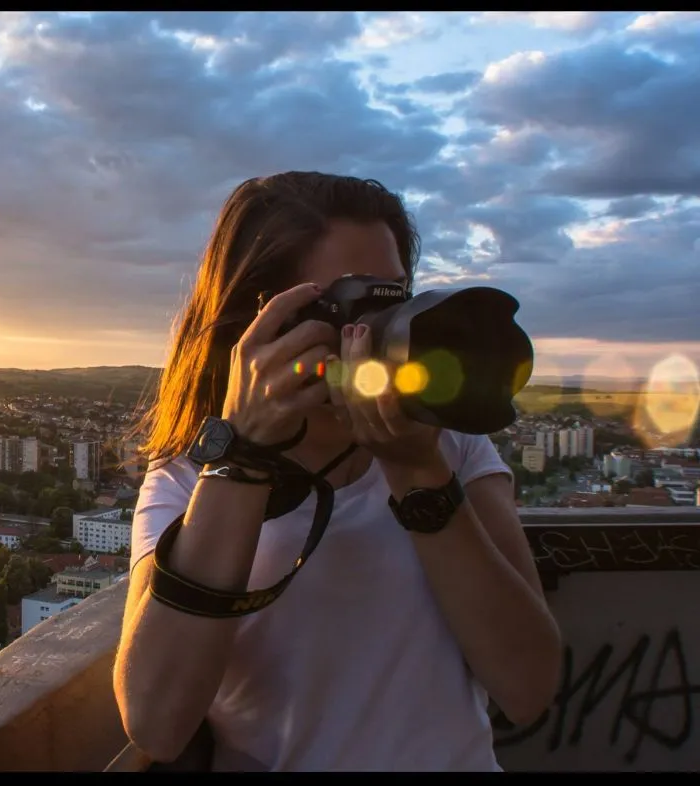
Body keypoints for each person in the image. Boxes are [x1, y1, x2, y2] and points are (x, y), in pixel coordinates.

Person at [113, 171, 562, 772]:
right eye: (352, 305)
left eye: (394, 300)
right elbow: (156, 724)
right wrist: (242, 460)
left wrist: (417, 474)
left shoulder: (452, 448)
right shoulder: (189, 479)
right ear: (263, 321)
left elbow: (529, 687)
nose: (373, 333)